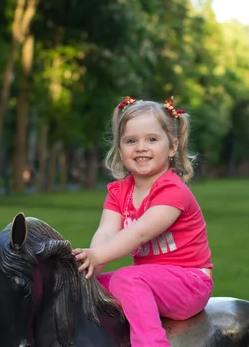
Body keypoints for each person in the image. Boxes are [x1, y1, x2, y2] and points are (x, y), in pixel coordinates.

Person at [73, 96, 213, 347]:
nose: (140, 147)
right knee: (80, 292)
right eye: (130, 141)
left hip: (189, 283)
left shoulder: (173, 191)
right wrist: (91, 269)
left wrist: (98, 256)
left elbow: (138, 233)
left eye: (151, 139)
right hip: (148, 281)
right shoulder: (119, 192)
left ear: (171, 147)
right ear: (120, 149)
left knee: (127, 279)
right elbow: (106, 232)